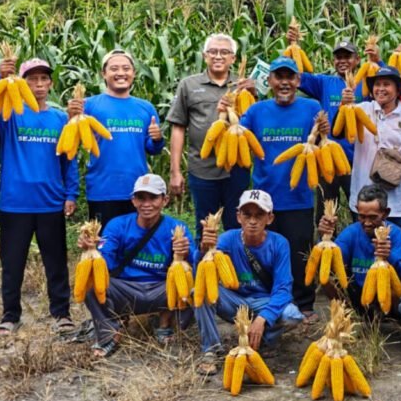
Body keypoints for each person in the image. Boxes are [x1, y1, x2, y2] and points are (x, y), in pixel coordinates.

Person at [0, 56, 80, 337]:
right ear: (22, 83)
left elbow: (69, 158)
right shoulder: (9, 115)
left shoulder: (60, 119)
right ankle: (10, 316)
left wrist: (71, 193)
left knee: (56, 263)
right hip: (15, 203)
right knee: (12, 263)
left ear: (51, 84)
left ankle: (62, 314)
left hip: (50, 203)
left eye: (44, 79)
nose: (39, 85)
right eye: (32, 79)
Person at [240, 57, 325, 320]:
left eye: (290, 77)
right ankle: (269, 303)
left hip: (299, 196)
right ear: (270, 81)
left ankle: (304, 303)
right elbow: (237, 137)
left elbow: (320, 147)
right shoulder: (256, 111)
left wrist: (324, 133)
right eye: (279, 77)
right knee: (265, 253)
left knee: (300, 253)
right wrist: (228, 109)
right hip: (264, 198)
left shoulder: (312, 107)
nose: (284, 82)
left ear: (298, 80)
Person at [81, 174, 197, 358]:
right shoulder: (118, 225)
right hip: (126, 289)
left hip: (161, 290)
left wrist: (186, 253)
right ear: (133, 200)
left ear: (165, 200)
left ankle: (165, 322)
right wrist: (91, 250)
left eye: (153, 198)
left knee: (195, 284)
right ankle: (109, 333)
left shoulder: (177, 229)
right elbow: (105, 263)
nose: (146, 204)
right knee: (90, 282)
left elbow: (196, 264)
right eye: (141, 198)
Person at [194, 189, 304, 373]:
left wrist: (263, 318)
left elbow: (283, 288)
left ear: (270, 218)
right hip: (235, 301)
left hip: (263, 301)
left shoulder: (279, 243)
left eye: (259, 215)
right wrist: (203, 250)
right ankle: (211, 349)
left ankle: (266, 341)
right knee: (201, 291)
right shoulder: (228, 239)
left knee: (292, 315)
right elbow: (200, 273)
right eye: (247, 215)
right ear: (238, 217)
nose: (253, 221)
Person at [167, 33, 256, 236]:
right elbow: (178, 127)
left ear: (233, 58)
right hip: (202, 169)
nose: (218, 56)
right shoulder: (189, 85)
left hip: (237, 169)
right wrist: (175, 171)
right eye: (213, 51)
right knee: (206, 227)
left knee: (237, 228)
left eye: (224, 52)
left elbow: (255, 124)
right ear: (204, 56)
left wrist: (254, 94)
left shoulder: (244, 86)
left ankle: (234, 257)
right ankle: (205, 257)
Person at [68, 49, 165, 225]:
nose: (121, 73)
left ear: (134, 73)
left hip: (139, 191)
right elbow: (71, 143)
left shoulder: (146, 108)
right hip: (102, 190)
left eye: (126, 68)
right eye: (114, 69)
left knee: (135, 240)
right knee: (103, 241)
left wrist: (158, 139)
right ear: (103, 74)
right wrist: (71, 117)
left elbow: (152, 149)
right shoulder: (88, 105)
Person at [284, 35, 379, 209]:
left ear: (358, 59)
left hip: (358, 157)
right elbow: (296, 75)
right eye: (338, 57)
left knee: (361, 208)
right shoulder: (324, 82)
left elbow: (389, 84)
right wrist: (292, 46)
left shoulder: (367, 83)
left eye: (347, 57)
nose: (342, 61)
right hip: (328, 155)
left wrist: (377, 60)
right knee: (326, 208)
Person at [317, 184, 401, 316]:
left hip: (386, 292)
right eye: (362, 216)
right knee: (327, 279)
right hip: (358, 292)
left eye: (373, 217)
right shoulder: (351, 233)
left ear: (385, 213)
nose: (367, 223)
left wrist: (389, 256)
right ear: (357, 210)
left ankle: (394, 318)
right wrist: (324, 240)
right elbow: (333, 264)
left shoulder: (396, 234)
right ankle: (348, 315)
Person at [348, 66, 401, 233]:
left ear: (398, 90)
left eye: (386, 84)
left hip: (399, 203)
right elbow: (338, 133)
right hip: (364, 204)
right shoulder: (361, 110)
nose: (380, 89)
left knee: (398, 246)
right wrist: (345, 105)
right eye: (377, 84)